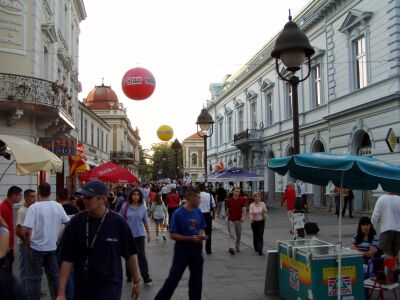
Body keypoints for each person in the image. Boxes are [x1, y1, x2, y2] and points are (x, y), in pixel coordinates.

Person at [57, 180, 141, 300]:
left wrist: (137, 281)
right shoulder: (76, 222)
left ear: (103, 199)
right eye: (84, 197)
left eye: (89, 198)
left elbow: (130, 254)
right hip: (83, 286)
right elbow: (67, 259)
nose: (84, 200)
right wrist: (61, 293)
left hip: (110, 285)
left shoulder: (117, 222)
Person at [155, 190, 206, 300]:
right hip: (182, 250)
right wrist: (190, 238)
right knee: (174, 278)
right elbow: (172, 235)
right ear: (190, 198)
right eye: (198, 198)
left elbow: (201, 227)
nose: (200, 200)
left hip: (197, 250)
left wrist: (202, 235)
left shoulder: (198, 212)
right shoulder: (178, 214)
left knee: (197, 280)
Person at [23, 182, 69, 300]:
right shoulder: (58, 206)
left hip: (35, 247)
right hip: (52, 247)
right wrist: (58, 237)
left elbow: (27, 229)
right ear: (50, 192)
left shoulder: (34, 207)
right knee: (54, 277)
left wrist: (27, 242)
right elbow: (67, 223)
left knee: (34, 279)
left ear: (38, 193)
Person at [120, 188, 152, 286]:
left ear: (140, 196)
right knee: (129, 256)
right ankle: (129, 275)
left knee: (141, 256)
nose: (136, 196)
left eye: (138, 194)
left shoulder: (142, 207)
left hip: (140, 235)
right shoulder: (125, 207)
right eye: (134, 194)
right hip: (128, 236)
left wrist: (148, 233)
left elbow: (145, 221)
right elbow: (120, 221)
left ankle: (146, 276)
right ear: (131, 195)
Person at [15, 189, 36, 295]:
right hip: (24, 245)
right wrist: (26, 242)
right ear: (26, 197)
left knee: (31, 269)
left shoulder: (33, 209)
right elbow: (18, 230)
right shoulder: (22, 211)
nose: (34, 199)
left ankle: (30, 290)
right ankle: (22, 292)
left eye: (35, 196)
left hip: (31, 244)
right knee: (24, 269)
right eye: (32, 197)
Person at [0, 185, 22, 273]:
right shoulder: (3, 208)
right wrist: (7, 247)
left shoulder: (8, 207)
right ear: (13, 195)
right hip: (6, 248)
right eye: (20, 195)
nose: (21, 198)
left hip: (9, 247)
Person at [371, 192, 400, 259]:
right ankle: (396, 268)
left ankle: (389, 269)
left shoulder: (381, 199)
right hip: (398, 231)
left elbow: (375, 216)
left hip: (386, 230)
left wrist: (372, 229)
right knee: (396, 254)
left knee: (386, 253)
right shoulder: (399, 199)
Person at [226, 187, 247, 255]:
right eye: (236, 191)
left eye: (238, 191)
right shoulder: (229, 200)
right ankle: (232, 247)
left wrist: (243, 216)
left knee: (238, 234)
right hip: (231, 219)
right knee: (232, 234)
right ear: (233, 192)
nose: (237, 193)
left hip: (238, 219)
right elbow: (228, 209)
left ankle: (237, 246)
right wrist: (226, 216)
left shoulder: (241, 200)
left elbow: (244, 209)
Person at [198, 183, 216, 255]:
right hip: (207, 215)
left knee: (199, 232)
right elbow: (213, 206)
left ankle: (199, 248)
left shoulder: (197, 195)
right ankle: (208, 249)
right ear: (204, 188)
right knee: (208, 232)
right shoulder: (209, 195)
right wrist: (214, 215)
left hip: (199, 215)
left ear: (199, 188)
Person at [249, 191, 267, 256]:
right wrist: (251, 220)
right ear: (254, 197)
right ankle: (256, 247)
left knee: (260, 235)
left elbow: (265, 211)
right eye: (256, 196)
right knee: (255, 235)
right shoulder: (252, 205)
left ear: (260, 197)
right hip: (254, 222)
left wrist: (263, 210)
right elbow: (251, 213)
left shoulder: (262, 203)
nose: (257, 198)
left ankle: (260, 249)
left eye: (258, 196)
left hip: (261, 221)